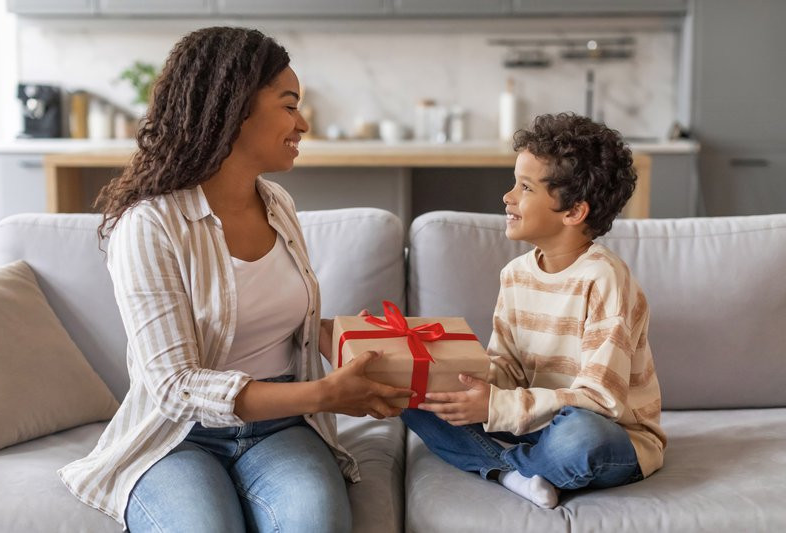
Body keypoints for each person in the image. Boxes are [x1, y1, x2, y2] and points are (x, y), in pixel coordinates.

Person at [58, 27, 413, 533]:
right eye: (289, 106)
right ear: (235, 108)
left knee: (317, 522)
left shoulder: (278, 204)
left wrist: (365, 347)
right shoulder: (150, 226)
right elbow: (174, 386)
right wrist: (325, 395)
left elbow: (285, 323)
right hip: (177, 436)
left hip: (280, 428)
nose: (303, 123)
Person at [401, 113, 666, 508]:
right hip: (534, 423)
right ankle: (522, 474)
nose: (507, 197)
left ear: (573, 212)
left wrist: (495, 406)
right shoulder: (516, 275)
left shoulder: (604, 279)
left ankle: (504, 468)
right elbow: (507, 370)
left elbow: (602, 401)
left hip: (612, 434)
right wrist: (457, 378)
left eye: (525, 187)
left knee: (581, 436)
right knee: (412, 396)